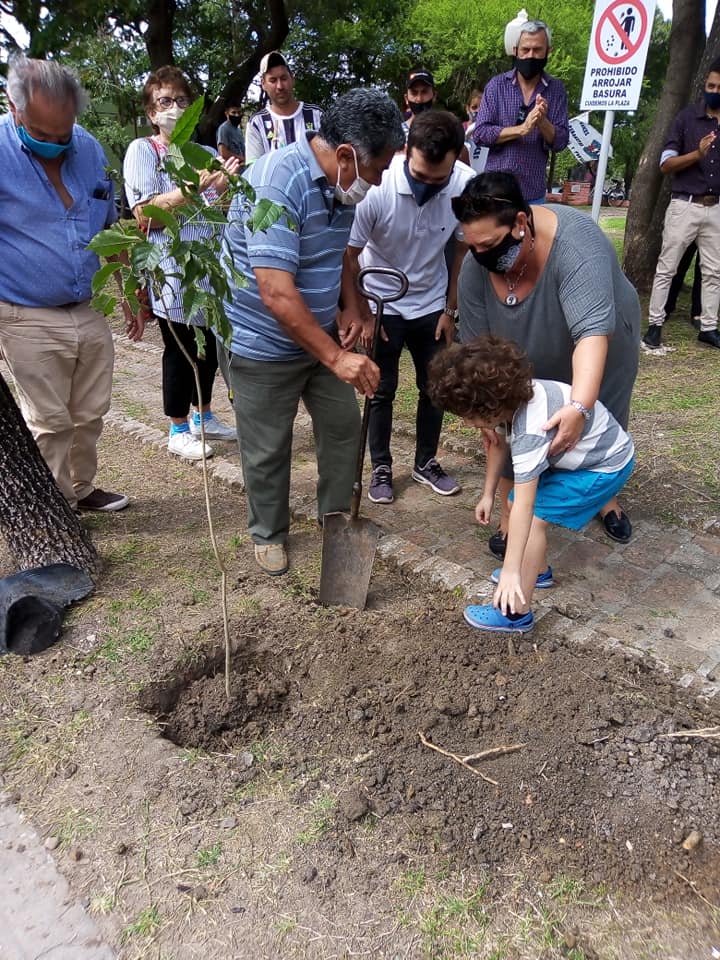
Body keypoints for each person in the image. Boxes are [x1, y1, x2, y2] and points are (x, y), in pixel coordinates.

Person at [220, 88, 405, 576]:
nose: (380, 180)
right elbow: (276, 292)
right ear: (345, 155)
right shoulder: (277, 183)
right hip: (260, 343)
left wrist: (352, 307)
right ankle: (269, 532)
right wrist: (337, 358)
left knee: (344, 429)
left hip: (320, 335)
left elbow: (339, 253)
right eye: (379, 169)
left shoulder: (340, 183)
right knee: (267, 446)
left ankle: (336, 518)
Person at [454, 172, 640, 553]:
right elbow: (478, 354)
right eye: (472, 246)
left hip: (602, 337)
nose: (480, 256)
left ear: (521, 223)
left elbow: (590, 336)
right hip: (529, 336)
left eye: (489, 244)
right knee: (516, 414)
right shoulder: (476, 269)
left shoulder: (577, 245)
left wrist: (578, 405)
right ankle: (513, 510)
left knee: (596, 408)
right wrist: (485, 412)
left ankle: (603, 494)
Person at [427, 335, 634, 633]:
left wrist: (510, 571)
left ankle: (516, 613)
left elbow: (524, 504)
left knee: (534, 516)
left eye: (468, 416)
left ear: (488, 406)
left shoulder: (530, 430)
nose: (467, 424)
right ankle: (536, 571)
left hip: (604, 466)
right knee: (517, 503)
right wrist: (487, 494)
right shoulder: (510, 400)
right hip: (583, 459)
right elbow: (497, 444)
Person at [0, 55, 135, 513]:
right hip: (25, 312)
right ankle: (52, 509)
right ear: (13, 108)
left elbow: (110, 223)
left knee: (90, 412)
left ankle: (80, 488)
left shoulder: (89, 147)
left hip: (89, 306)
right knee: (50, 420)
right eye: (43, 134)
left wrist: (129, 294)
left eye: (65, 133)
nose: (59, 143)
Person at [345, 110, 474, 504]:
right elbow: (349, 257)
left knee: (434, 388)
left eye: (439, 181)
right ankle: (381, 466)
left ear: (458, 157)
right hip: (382, 303)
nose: (428, 188)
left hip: (431, 304)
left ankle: (425, 462)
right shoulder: (375, 189)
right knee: (380, 390)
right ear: (406, 152)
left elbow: (463, 248)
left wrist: (450, 309)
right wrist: (364, 313)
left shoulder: (466, 186)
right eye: (420, 178)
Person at [123, 66, 240, 461]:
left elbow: (219, 214)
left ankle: (204, 415)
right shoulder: (144, 151)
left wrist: (224, 189)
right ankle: (177, 426)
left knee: (206, 345)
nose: (175, 108)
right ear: (152, 113)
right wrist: (196, 187)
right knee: (180, 348)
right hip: (172, 269)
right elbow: (147, 215)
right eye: (165, 102)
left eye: (182, 101)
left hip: (208, 267)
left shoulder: (205, 154)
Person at [642, 59, 720, 351]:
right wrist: (696, 154)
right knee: (668, 267)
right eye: (711, 86)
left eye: (719, 88)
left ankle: (709, 327)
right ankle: (654, 326)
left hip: (716, 208)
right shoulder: (686, 119)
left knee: (714, 271)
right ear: (704, 86)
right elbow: (665, 164)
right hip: (685, 204)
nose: (714, 91)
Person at [473, 19, 569, 204]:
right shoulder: (496, 86)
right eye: (525, 50)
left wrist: (542, 122)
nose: (530, 55)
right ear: (516, 50)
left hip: (532, 194)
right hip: (495, 192)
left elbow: (561, 141)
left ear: (548, 51)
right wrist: (521, 129)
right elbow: (480, 133)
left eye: (537, 50)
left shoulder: (556, 90)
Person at [244, 51, 323, 162]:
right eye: (273, 80)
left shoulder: (316, 115)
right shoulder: (257, 124)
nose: (280, 86)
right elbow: (254, 171)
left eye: (284, 78)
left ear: (292, 79)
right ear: (263, 84)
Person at [402, 68, 437, 139]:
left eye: (424, 92)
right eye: (414, 93)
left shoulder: (446, 131)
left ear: (434, 96)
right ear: (406, 99)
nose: (419, 99)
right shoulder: (396, 133)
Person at [463, 88, 489, 174]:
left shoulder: (490, 130)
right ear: (467, 109)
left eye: (482, 108)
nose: (478, 111)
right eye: (474, 107)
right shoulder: (460, 128)